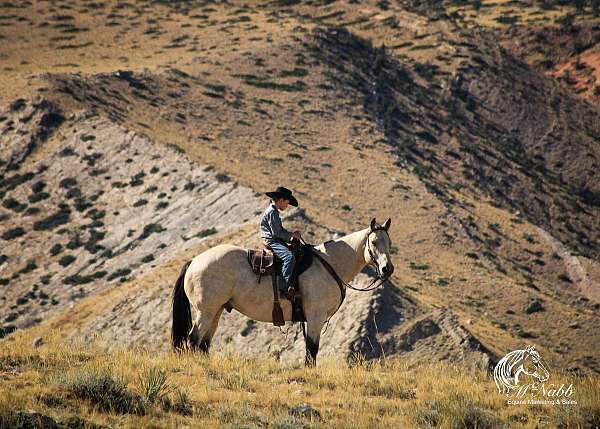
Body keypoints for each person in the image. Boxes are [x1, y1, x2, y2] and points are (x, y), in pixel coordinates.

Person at [260, 186, 302, 296]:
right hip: (272, 240)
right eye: (287, 203)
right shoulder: (272, 212)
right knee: (289, 257)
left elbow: (279, 230)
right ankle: (283, 288)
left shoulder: (274, 211)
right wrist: (291, 235)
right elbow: (276, 233)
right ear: (281, 200)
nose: (287, 206)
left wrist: (291, 235)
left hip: (274, 239)